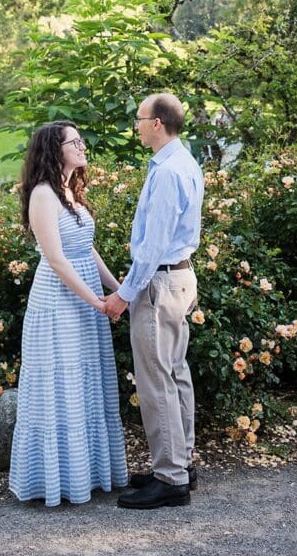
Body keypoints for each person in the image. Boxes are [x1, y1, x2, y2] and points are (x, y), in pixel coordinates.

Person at [8, 120, 128, 506]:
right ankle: (56, 479)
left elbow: (85, 248)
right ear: (53, 150)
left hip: (85, 293)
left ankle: (88, 473)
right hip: (59, 301)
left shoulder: (70, 191)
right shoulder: (43, 194)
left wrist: (116, 289)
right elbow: (57, 260)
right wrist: (97, 302)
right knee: (62, 384)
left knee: (87, 383)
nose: (82, 146)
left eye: (81, 139)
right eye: (74, 142)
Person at [104, 93, 204, 510]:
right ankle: (180, 464)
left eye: (141, 119)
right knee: (175, 373)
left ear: (158, 123)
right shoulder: (185, 162)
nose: (137, 126)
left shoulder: (167, 172)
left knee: (157, 380)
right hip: (179, 277)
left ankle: (170, 479)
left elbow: (153, 246)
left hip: (160, 283)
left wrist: (124, 296)